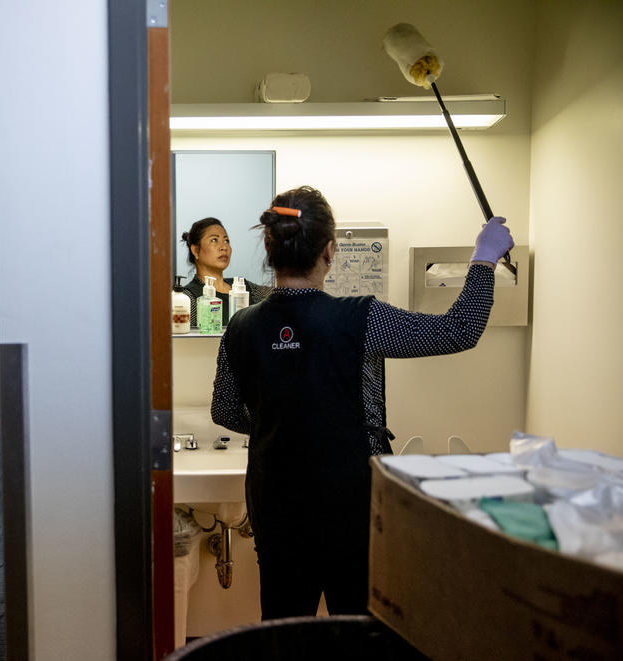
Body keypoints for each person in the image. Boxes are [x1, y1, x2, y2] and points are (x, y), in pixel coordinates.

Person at [210, 186, 513, 619]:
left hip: (276, 503)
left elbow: (224, 411)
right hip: (351, 505)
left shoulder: (240, 325)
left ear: (270, 249)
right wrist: (483, 260)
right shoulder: (360, 318)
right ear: (330, 251)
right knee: (357, 631)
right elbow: (458, 330)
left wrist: (276, 421)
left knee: (282, 629)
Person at [180, 217, 272, 325]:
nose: (224, 247)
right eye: (214, 240)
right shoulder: (186, 298)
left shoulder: (245, 288)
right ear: (195, 250)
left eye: (226, 240)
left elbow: (279, 297)